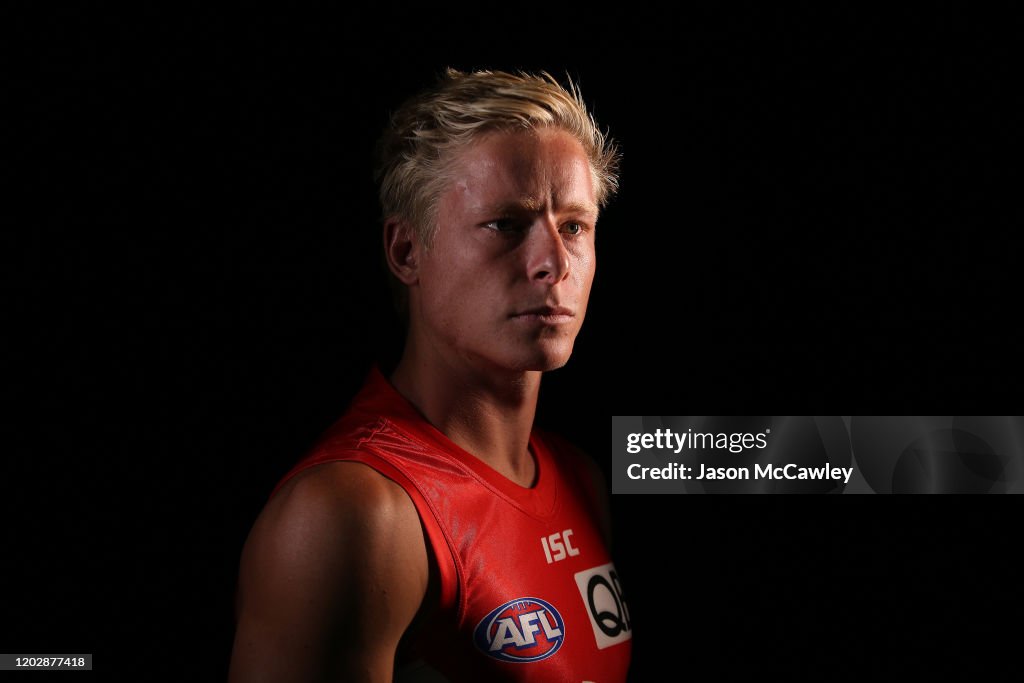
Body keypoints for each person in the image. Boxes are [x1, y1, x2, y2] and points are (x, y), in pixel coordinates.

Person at [228, 68, 631, 682]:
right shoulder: (354, 515)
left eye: (574, 226)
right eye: (506, 224)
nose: (553, 262)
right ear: (406, 253)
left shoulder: (578, 478)